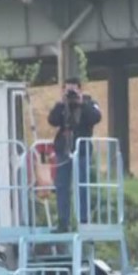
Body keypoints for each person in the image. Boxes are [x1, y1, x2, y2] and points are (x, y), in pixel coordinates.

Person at [48, 76, 102, 232]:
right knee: (62, 187)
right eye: (68, 89)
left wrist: (81, 103)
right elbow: (52, 120)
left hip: (82, 151)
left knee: (82, 186)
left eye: (74, 89)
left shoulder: (89, 103)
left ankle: (83, 221)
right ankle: (63, 222)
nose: (71, 93)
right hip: (63, 151)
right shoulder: (61, 106)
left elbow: (96, 117)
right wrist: (62, 104)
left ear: (80, 89)